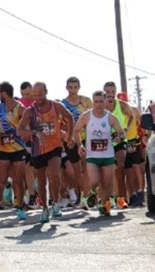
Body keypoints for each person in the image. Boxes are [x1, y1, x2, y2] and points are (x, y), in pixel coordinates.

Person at [18, 82, 74, 223]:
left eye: (40, 94)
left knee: (54, 174)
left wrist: (69, 135)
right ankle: (44, 208)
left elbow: (70, 117)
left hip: (55, 146)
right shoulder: (29, 111)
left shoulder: (56, 106)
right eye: (35, 95)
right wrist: (35, 132)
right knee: (41, 181)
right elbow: (20, 130)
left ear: (46, 92)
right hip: (38, 149)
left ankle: (55, 203)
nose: (38, 97)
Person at [74, 90, 125, 216]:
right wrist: (80, 145)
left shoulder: (110, 117)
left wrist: (118, 138)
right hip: (92, 155)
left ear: (105, 102)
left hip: (107, 155)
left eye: (101, 101)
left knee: (107, 183)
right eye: (96, 102)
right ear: (93, 102)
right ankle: (92, 194)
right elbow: (76, 130)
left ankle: (103, 204)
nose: (98, 105)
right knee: (95, 181)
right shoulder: (87, 116)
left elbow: (121, 132)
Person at [0, 81, 28, 220]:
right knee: (1, 179)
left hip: (18, 148)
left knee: (18, 181)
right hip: (4, 148)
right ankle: (8, 188)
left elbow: (27, 124)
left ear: (4, 93)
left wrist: (22, 133)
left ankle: (20, 206)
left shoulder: (20, 108)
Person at [61, 76, 92, 209]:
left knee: (87, 168)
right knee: (76, 172)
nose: (73, 90)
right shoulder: (63, 104)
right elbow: (60, 125)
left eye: (75, 87)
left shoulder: (86, 101)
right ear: (66, 88)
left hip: (86, 138)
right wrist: (67, 138)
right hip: (71, 140)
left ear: (79, 87)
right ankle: (82, 194)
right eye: (70, 87)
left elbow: (94, 117)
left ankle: (86, 196)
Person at [104, 82, 134, 209]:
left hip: (120, 139)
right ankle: (108, 199)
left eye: (112, 92)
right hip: (105, 140)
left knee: (120, 167)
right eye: (107, 92)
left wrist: (126, 129)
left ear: (115, 92)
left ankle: (122, 198)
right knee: (107, 170)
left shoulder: (121, 105)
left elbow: (131, 116)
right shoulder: (100, 106)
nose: (110, 94)